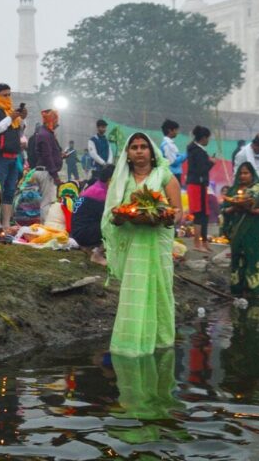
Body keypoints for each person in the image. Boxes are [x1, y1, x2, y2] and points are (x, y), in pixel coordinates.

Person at [101, 132, 182, 356]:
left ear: (152, 152)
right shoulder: (121, 180)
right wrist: (120, 216)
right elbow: (113, 213)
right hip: (132, 243)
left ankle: (160, 342)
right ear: (127, 153)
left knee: (159, 289)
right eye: (134, 147)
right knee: (133, 291)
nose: (138, 150)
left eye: (143, 146)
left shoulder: (165, 176)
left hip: (157, 243)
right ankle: (130, 344)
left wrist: (163, 217)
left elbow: (179, 212)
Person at [0, 83, 28, 230]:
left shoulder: (10, 111)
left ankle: (6, 223)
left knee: (10, 190)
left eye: (9, 94)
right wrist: (9, 118)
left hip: (14, 156)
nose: (8, 97)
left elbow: (19, 130)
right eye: (4, 95)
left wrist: (22, 118)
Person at [222, 162, 259, 297]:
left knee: (252, 256)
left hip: (253, 229)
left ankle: (253, 290)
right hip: (237, 229)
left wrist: (254, 210)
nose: (243, 176)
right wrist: (233, 208)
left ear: (252, 174)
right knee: (237, 257)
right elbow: (224, 209)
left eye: (246, 173)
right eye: (241, 173)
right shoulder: (233, 190)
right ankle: (237, 289)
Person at [71, 164, 114, 264]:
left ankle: (89, 249)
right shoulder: (100, 194)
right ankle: (97, 254)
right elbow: (108, 217)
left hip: (77, 230)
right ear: (111, 179)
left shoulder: (95, 187)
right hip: (83, 233)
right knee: (115, 224)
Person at [185, 125, 215, 253]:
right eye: (208, 138)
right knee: (199, 214)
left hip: (199, 185)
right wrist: (211, 163)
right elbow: (201, 170)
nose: (208, 141)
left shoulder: (194, 150)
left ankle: (204, 242)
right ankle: (197, 243)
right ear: (203, 138)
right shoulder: (199, 152)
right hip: (197, 184)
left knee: (204, 214)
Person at [32, 109, 63, 220]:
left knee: (42, 202)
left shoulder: (44, 133)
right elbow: (47, 156)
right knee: (47, 203)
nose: (57, 124)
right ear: (51, 121)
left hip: (42, 170)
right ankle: (45, 228)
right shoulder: (45, 135)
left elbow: (46, 154)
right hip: (46, 172)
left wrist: (59, 156)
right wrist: (55, 175)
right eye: (55, 121)